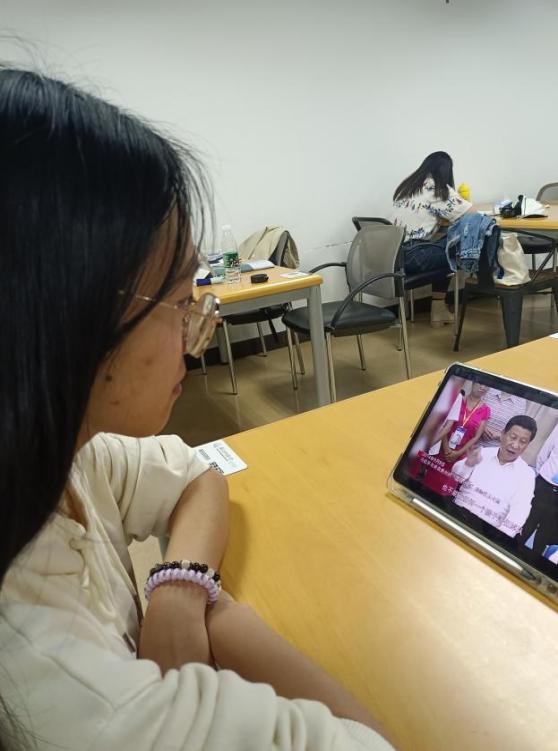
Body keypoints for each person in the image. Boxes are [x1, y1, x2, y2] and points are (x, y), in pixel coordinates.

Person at [0, 68, 393, 751]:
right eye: (182, 302)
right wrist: (221, 616)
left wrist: (179, 589)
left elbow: (198, 473)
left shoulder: (63, 454)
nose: (193, 336)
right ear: (69, 319)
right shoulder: (86, 703)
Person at [391, 151, 472, 327]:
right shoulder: (436, 188)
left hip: (394, 257)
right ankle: (440, 309)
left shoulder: (407, 187)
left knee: (446, 246)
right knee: (456, 245)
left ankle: (438, 309)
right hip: (414, 256)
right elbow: (471, 215)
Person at [451, 416, 537, 538]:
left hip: (485, 531)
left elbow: (519, 512)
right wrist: (468, 464)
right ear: (502, 434)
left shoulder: (527, 474)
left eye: (522, 442)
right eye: (513, 437)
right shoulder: (483, 453)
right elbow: (456, 477)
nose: (515, 445)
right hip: (456, 514)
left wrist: (497, 538)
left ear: (527, 445)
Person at [419, 383, 490, 497]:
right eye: (480, 384)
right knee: (429, 483)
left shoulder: (486, 410)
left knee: (446, 489)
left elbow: (477, 436)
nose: (483, 387)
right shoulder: (457, 400)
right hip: (442, 447)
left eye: (486, 386)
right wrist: (446, 448)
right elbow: (445, 424)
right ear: (473, 383)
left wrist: (458, 453)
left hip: (461, 454)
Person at [519, 422, 558, 556]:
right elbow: (545, 452)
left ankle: (532, 563)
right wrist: (543, 475)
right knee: (526, 523)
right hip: (544, 484)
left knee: (545, 535)